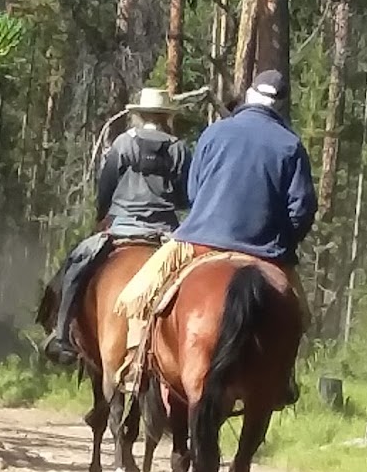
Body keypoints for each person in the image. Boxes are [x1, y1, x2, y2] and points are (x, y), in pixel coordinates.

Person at [116, 68, 316, 383]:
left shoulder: (215, 133)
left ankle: (135, 362)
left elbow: (194, 192)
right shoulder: (291, 144)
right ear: (281, 104)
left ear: (250, 95)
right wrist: (282, 242)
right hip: (266, 250)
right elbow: (302, 208)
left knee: (138, 295)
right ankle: (283, 380)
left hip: (199, 240)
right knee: (300, 317)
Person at [43, 86, 191, 365]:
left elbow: (106, 187)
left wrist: (101, 215)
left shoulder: (124, 143)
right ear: (166, 116)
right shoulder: (178, 149)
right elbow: (185, 197)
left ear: (141, 114)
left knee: (76, 265)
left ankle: (61, 334)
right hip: (166, 232)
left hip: (123, 227)